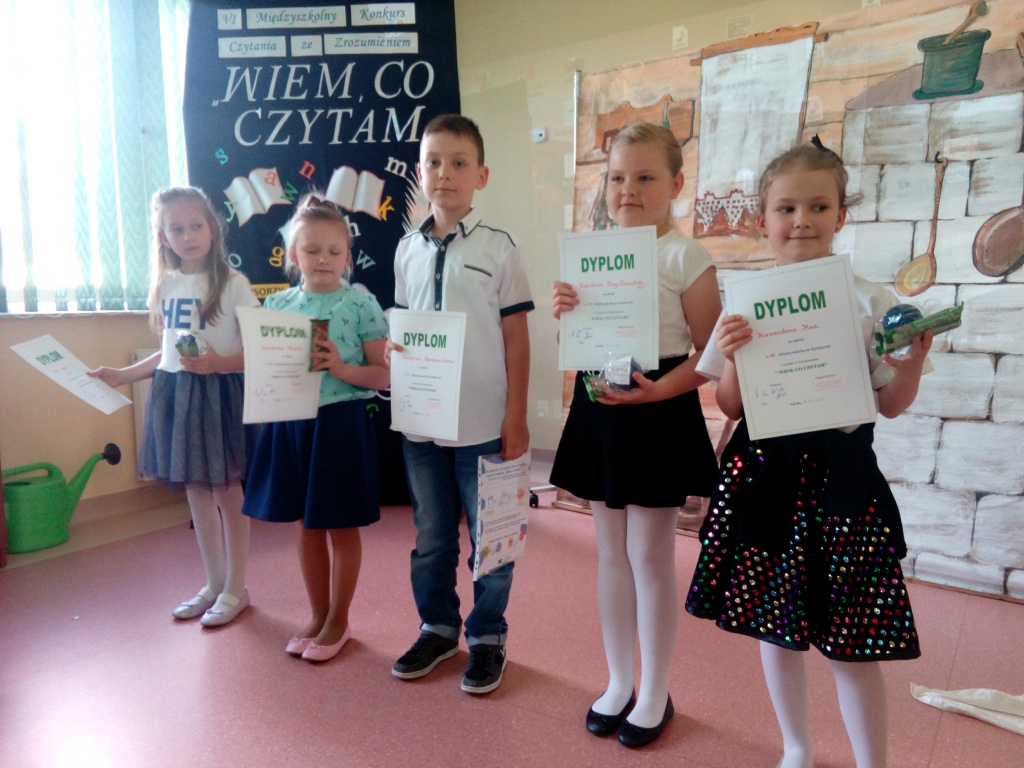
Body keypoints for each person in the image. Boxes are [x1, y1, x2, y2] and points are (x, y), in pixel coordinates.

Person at [685, 139, 933, 768]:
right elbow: (732, 405)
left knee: (855, 638)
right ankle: (796, 746)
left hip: (841, 484)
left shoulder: (872, 301)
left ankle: (871, 761)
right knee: (775, 625)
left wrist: (911, 365)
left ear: (840, 215)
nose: (802, 220)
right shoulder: (743, 301)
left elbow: (891, 404)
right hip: (766, 477)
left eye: (819, 206)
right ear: (762, 220)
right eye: (786, 208)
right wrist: (733, 355)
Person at [549, 122, 722, 748]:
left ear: (675, 184)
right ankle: (619, 680)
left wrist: (658, 392)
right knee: (610, 553)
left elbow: (711, 353)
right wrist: (567, 312)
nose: (628, 189)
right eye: (618, 177)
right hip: (602, 404)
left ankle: (655, 690)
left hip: (657, 408)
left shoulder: (685, 257)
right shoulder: (592, 253)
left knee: (650, 557)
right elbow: (581, 341)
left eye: (645, 176)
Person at [386, 114, 533, 695]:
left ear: (481, 175)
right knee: (432, 538)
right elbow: (403, 329)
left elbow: (516, 336)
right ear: (420, 172)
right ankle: (439, 628)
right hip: (421, 425)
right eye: (433, 162)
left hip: (484, 425)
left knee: (493, 541)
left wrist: (515, 414)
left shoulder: (500, 247)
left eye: (458, 162)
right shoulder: (405, 250)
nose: (444, 173)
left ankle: (488, 635)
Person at [88, 186, 259, 627]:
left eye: (196, 225)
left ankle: (236, 587)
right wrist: (122, 375)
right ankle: (213, 582)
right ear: (163, 237)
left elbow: (261, 351)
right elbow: (167, 352)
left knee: (227, 492)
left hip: (217, 394)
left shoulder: (234, 284)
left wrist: (218, 364)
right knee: (196, 491)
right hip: (176, 394)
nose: (188, 235)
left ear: (213, 228)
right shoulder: (165, 285)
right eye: (177, 229)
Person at [242, 194, 390, 663]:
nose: (323, 259)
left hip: (340, 425)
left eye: (333, 250)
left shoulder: (360, 303)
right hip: (292, 425)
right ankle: (318, 614)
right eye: (311, 250)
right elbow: (264, 368)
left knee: (340, 527)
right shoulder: (278, 304)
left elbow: (382, 375)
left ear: (347, 256)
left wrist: (340, 368)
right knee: (306, 526)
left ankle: (339, 620)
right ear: (293, 255)